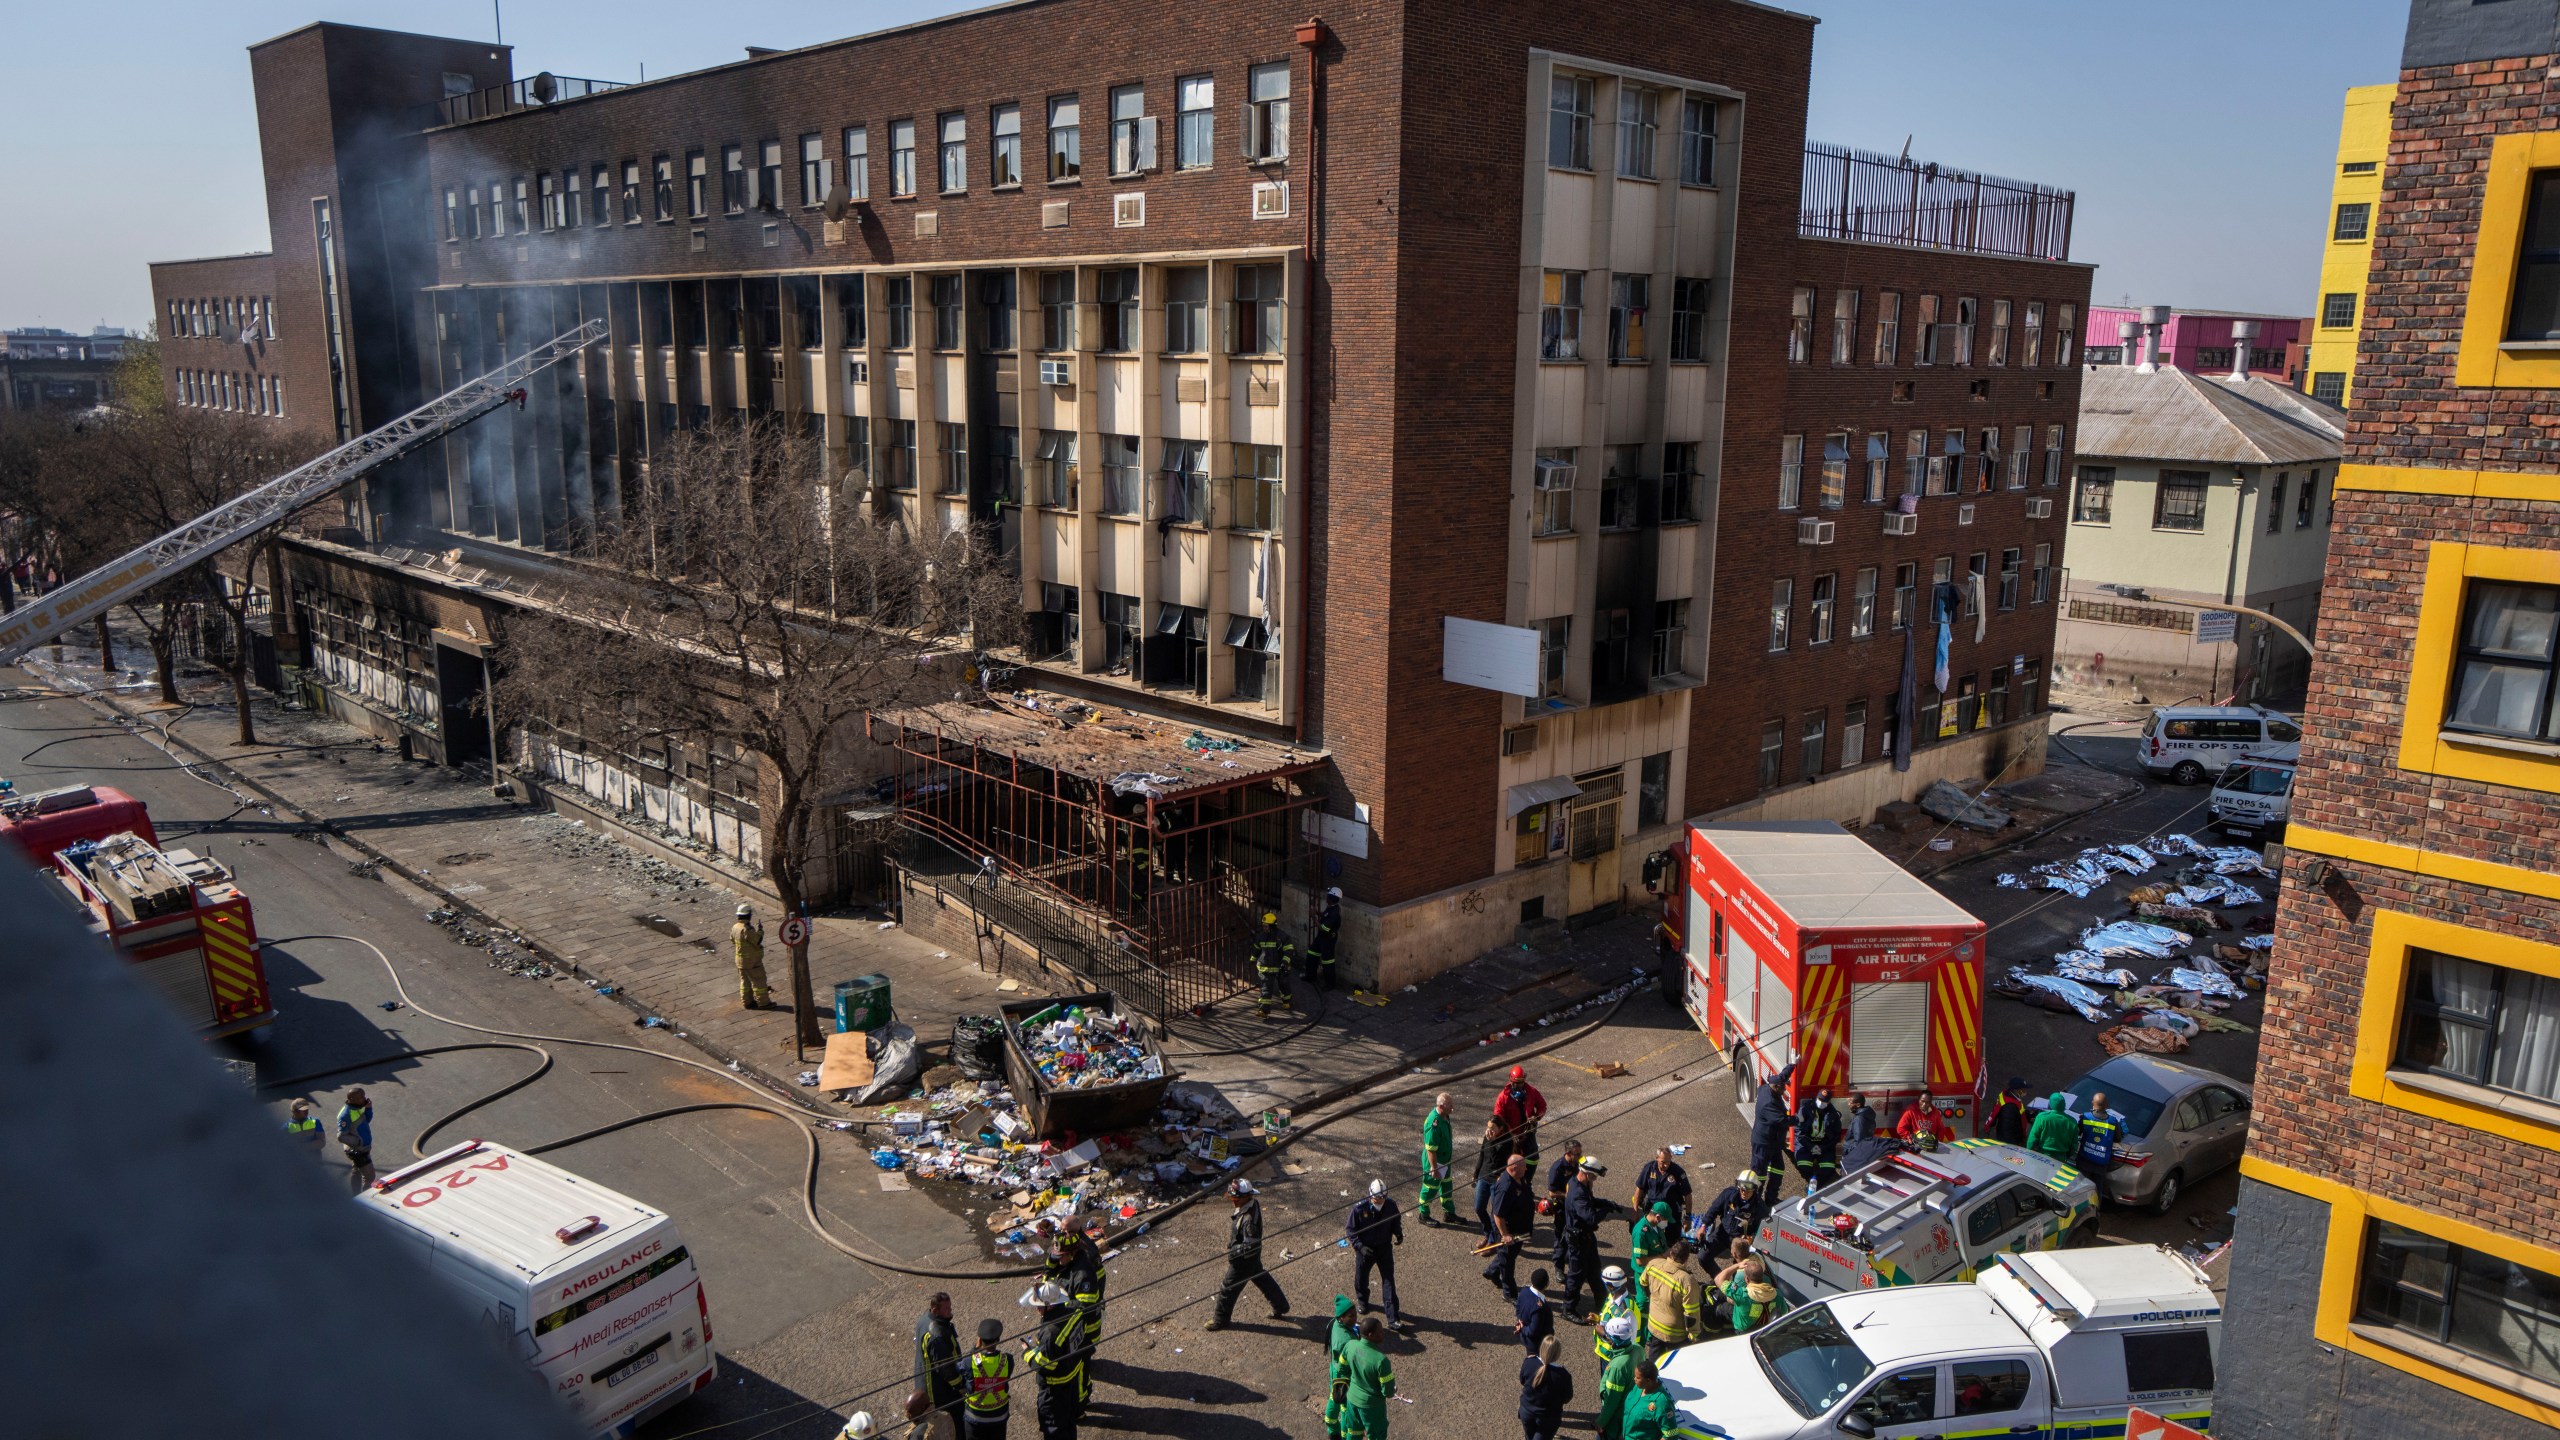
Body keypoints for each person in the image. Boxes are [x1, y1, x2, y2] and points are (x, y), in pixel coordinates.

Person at [1206, 1178, 1288, 1328]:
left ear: (1245, 1197)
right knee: (1261, 1278)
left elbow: (1249, 1246)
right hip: (1251, 1259)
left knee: (1227, 1288)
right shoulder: (1251, 1204)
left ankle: (1220, 1320)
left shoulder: (1249, 1220)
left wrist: (1233, 1253)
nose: (1233, 1201)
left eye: (1235, 1198)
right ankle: (1281, 1306)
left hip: (1243, 1261)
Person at [1022, 1283, 1090, 1440]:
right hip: (1073, 1378)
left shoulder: (1050, 1334)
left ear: (1050, 1306)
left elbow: (1045, 1366)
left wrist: (1027, 1353)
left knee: (1054, 1430)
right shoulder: (1076, 1311)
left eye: (1039, 1306)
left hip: (1055, 1390)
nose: (1037, 1310)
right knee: (1069, 1423)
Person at [1558, 1157, 1622, 1320]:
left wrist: (1607, 1203)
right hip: (1578, 1240)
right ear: (1585, 1174)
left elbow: (1591, 1201)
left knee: (1594, 1269)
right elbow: (1591, 1218)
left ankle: (1601, 1300)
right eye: (1593, 1177)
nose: (1594, 1180)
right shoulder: (1578, 1194)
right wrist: (1605, 1210)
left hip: (1586, 1237)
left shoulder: (1577, 1183)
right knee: (1576, 1275)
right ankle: (1568, 1308)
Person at [1346, 1178, 1405, 1329]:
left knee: (1388, 1282)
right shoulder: (1359, 1209)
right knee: (1361, 1278)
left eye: (1382, 1198)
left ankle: (1393, 1318)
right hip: (1366, 1250)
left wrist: (1398, 1233)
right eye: (1376, 1198)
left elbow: (1395, 1220)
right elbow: (1351, 1230)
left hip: (1384, 1248)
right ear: (1370, 1195)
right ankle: (1363, 1301)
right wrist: (1360, 1247)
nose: (1379, 1201)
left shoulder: (1391, 1205)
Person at [1483, 1152, 1539, 1300]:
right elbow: (1498, 1215)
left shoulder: (1520, 1178)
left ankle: (1492, 1271)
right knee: (1507, 1262)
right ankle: (1509, 1294)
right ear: (1513, 1168)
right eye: (1523, 1167)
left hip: (1520, 1227)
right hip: (1508, 1229)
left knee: (1509, 1254)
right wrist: (1505, 1234)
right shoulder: (1505, 1187)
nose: (1526, 1170)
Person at [1639, 1241, 1702, 1360]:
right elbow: (1691, 1313)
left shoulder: (1653, 1264)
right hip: (1675, 1334)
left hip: (1654, 1325)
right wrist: (1694, 1335)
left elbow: (1643, 1283)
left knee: (1654, 1362)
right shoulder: (1687, 1280)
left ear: (1670, 1253)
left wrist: (1653, 1298)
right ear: (1686, 1258)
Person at [1339, 1317, 1398, 1440]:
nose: (1383, 1334)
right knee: (1377, 1436)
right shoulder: (1381, 1360)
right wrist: (1393, 1390)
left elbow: (1341, 1368)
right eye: (1381, 1332)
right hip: (1371, 1407)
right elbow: (1387, 1392)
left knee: (1354, 1432)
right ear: (1371, 1335)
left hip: (1352, 1399)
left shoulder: (1350, 1345)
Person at [1748, 1061, 1797, 1201]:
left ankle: (1770, 1198)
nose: (1785, 1089)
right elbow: (1783, 1121)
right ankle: (1755, 1201)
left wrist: (1792, 1065)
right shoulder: (1769, 1103)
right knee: (1759, 1173)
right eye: (1783, 1087)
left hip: (1773, 1142)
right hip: (1763, 1143)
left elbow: (1781, 1076)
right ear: (1776, 1087)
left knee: (1778, 1169)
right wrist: (1798, 1119)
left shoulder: (1766, 1088)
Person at [914, 1293, 964, 1425]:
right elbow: (946, 1369)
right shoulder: (936, 1336)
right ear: (935, 1310)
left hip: (925, 1382)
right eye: (947, 1309)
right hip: (939, 1392)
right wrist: (961, 1386)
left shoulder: (924, 1319)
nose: (950, 1311)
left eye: (950, 1307)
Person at [1698, 1170, 1766, 1261]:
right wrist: (1704, 1225)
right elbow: (1714, 1209)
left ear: (1754, 1188)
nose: (1744, 1192)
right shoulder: (1728, 1194)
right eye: (1741, 1187)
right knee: (1703, 1256)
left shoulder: (1760, 1207)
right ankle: (1719, 1275)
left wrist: (1752, 1238)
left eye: (1748, 1188)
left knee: (1741, 1270)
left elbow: (1762, 1229)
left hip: (1741, 1241)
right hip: (1723, 1233)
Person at [962, 1318, 1013, 1439]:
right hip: (999, 1416)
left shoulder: (970, 1361)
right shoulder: (1008, 1360)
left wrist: (974, 1349)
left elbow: (961, 1367)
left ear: (979, 1340)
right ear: (998, 1340)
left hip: (974, 1417)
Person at [1713, 1254, 1787, 1334]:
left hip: (1744, 1333)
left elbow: (1718, 1279)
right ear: (1762, 1276)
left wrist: (1737, 1265)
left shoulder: (1741, 1295)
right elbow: (1784, 1313)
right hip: (1765, 1331)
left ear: (1746, 1279)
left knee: (1720, 1309)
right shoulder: (1777, 1294)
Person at [1518, 1334, 1574, 1440]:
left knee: (1529, 1436)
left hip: (1527, 1411)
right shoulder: (1563, 1375)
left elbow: (1522, 1380)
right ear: (1557, 1353)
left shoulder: (1529, 1362)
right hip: (1548, 1417)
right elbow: (1567, 1397)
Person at [1493, 1065, 1548, 1169]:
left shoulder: (1531, 1092)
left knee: (1533, 1159)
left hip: (1527, 1135)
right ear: (1511, 1082)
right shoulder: (1503, 1098)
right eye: (1516, 1083)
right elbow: (1498, 1117)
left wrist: (1535, 1117)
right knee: (1510, 1165)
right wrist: (1510, 1134)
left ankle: (1527, 1180)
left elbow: (1542, 1106)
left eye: (1521, 1083)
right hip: (1510, 1138)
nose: (1519, 1086)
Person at [1791, 1086, 1844, 1192]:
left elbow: (1836, 1135)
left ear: (1828, 1102)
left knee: (1828, 1170)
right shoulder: (1805, 1109)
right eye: (1820, 1099)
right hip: (1806, 1144)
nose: (1821, 1102)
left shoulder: (1833, 1114)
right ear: (1816, 1098)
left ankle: (1815, 1187)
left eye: (1824, 1101)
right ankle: (1811, 1180)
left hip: (1824, 1146)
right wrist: (1810, 1146)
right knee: (1803, 1166)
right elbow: (1798, 1131)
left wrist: (1823, 1148)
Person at [1418, 1093, 1460, 1225]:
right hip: (1435, 1161)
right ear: (1441, 1106)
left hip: (1445, 1160)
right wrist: (1434, 1168)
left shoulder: (1445, 1116)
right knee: (1430, 1187)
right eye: (1450, 1105)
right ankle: (1423, 1214)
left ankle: (1449, 1212)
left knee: (1447, 1185)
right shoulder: (1434, 1123)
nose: (1452, 1107)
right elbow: (1431, 1149)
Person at [1543, 1138, 1587, 1265]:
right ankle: (1558, 1266)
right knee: (1561, 1237)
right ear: (1568, 1154)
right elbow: (1552, 1192)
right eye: (1577, 1154)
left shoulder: (1578, 1164)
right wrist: (1568, 1195)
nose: (1580, 1156)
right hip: (1562, 1207)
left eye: (1580, 1153)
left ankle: (1572, 1260)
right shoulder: (1557, 1168)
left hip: (1576, 1207)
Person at [1595, 1316, 1639, 1439]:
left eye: (1608, 1336)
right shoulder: (1638, 1349)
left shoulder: (1617, 1367)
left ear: (1613, 1341)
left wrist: (1601, 1422)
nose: (1606, 1337)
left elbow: (1611, 1401)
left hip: (1615, 1418)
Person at [1474, 1118, 1517, 1236]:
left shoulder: (1507, 1141)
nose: (1489, 1130)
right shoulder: (1487, 1137)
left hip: (1496, 1180)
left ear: (1501, 1128)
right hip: (1484, 1176)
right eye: (1488, 1127)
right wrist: (1476, 1174)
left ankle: (1493, 1239)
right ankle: (1488, 1232)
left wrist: (1492, 1141)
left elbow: (1495, 1159)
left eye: (1493, 1128)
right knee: (1479, 1208)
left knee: (1496, 1212)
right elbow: (1482, 1155)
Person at [1631, 1148, 1691, 1231]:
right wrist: (1635, 1210)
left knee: (1671, 1238)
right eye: (1663, 1162)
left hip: (1671, 1213)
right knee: (1650, 1235)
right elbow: (1639, 1188)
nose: (1666, 1165)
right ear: (1657, 1158)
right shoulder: (1649, 1168)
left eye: (1668, 1162)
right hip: (1652, 1211)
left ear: (1671, 1157)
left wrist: (1688, 1217)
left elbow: (1688, 1195)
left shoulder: (1678, 1172)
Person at [1324, 1296, 1357, 1440]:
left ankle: (1332, 1428)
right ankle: (1343, 1435)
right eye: (1351, 1316)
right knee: (1345, 1407)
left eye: (1355, 1314)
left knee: (1334, 1397)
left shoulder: (1334, 1323)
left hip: (1335, 1370)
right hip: (1344, 1376)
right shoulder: (1346, 1341)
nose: (1355, 1318)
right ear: (1341, 1317)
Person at [2075, 1091, 2127, 1181]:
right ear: (2106, 1105)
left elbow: (2077, 1132)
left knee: (2079, 1187)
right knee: (2097, 1189)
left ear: (2093, 1103)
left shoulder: (2085, 1117)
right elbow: (2118, 1138)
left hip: (2084, 1160)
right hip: (2101, 1164)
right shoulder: (2113, 1121)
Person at [1594, 1266, 1641, 1362]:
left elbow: (1628, 1343)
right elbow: (1609, 1314)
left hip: (1615, 1359)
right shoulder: (1613, 1296)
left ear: (1611, 1286)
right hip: (1607, 1354)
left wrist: (1603, 1335)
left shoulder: (1627, 1312)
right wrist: (1598, 1318)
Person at [1620, 1361, 1677, 1440]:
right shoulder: (1638, 1387)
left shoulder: (1662, 1403)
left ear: (1648, 1380)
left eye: (1638, 1378)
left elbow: (1671, 1434)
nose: (1634, 1379)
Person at [731, 904, 772, 1010]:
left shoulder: (735, 927)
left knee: (745, 982)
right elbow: (757, 941)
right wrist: (760, 931)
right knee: (759, 981)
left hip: (740, 960)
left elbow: (732, 940)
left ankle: (747, 1002)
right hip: (752, 961)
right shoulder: (747, 929)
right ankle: (764, 1003)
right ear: (748, 915)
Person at [1251, 913, 1291, 1018]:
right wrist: (1252, 959)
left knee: (1284, 985)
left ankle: (1287, 1001)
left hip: (1280, 967)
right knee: (1265, 989)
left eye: (1266, 926)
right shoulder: (1261, 937)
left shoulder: (1282, 936)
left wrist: (1285, 962)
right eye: (1263, 926)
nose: (1264, 928)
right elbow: (1256, 949)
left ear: (1272, 926)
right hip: (1265, 967)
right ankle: (1263, 1010)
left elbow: (1289, 950)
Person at [2026, 1090, 2082, 1164]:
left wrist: (2029, 1153)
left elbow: (2032, 1139)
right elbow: (2074, 1145)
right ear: (2064, 1105)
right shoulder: (2072, 1122)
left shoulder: (2042, 1117)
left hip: (2041, 1156)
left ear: (2050, 1104)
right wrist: (2065, 1156)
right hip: (2061, 1159)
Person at [336, 1088, 376, 1192]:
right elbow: (341, 1136)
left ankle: (356, 1194)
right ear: (351, 1099)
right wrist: (358, 1142)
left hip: (363, 1148)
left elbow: (366, 1121)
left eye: (363, 1096)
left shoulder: (358, 1107)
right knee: (370, 1177)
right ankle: (366, 1199)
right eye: (359, 1098)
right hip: (358, 1150)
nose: (363, 1099)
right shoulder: (345, 1115)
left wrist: (368, 1108)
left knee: (357, 1170)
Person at [1303, 886, 1342, 989]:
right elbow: (1325, 916)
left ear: (1331, 898)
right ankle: (1310, 976)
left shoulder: (1335, 913)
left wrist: (1313, 917)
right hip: (1322, 938)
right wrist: (1317, 912)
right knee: (1312, 953)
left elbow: (1323, 928)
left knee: (1327, 962)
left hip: (1328, 940)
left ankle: (1330, 984)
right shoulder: (1331, 907)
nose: (1326, 897)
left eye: (1328, 896)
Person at [1515, 1269, 1554, 1355]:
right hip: (1537, 1344)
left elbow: (1518, 1308)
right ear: (1547, 1284)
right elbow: (1533, 1331)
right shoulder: (1539, 1307)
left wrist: (1519, 1321)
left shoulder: (1524, 1291)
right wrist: (1523, 1328)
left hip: (1526, 1337)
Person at [1628, 1202, 1673, 1273]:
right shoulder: (1640, 1234)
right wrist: (1663, 1256)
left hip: (1657, 1269)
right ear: (1658, 1217)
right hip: (1644, 1274)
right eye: (1666, 1219)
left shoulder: (1656, 1224)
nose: (1666, 1222)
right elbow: (1640, 1261)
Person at [1986, 1078, 2032, 1145]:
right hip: (2010, 1143)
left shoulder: (2009, 1096)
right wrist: (2013, 1146)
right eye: (2023, 1089)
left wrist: (2029, 1114)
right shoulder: (2009, 1107)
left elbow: (2019, 1111)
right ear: (2017, 1090)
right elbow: (2007, 1130)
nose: (2025, 1091)